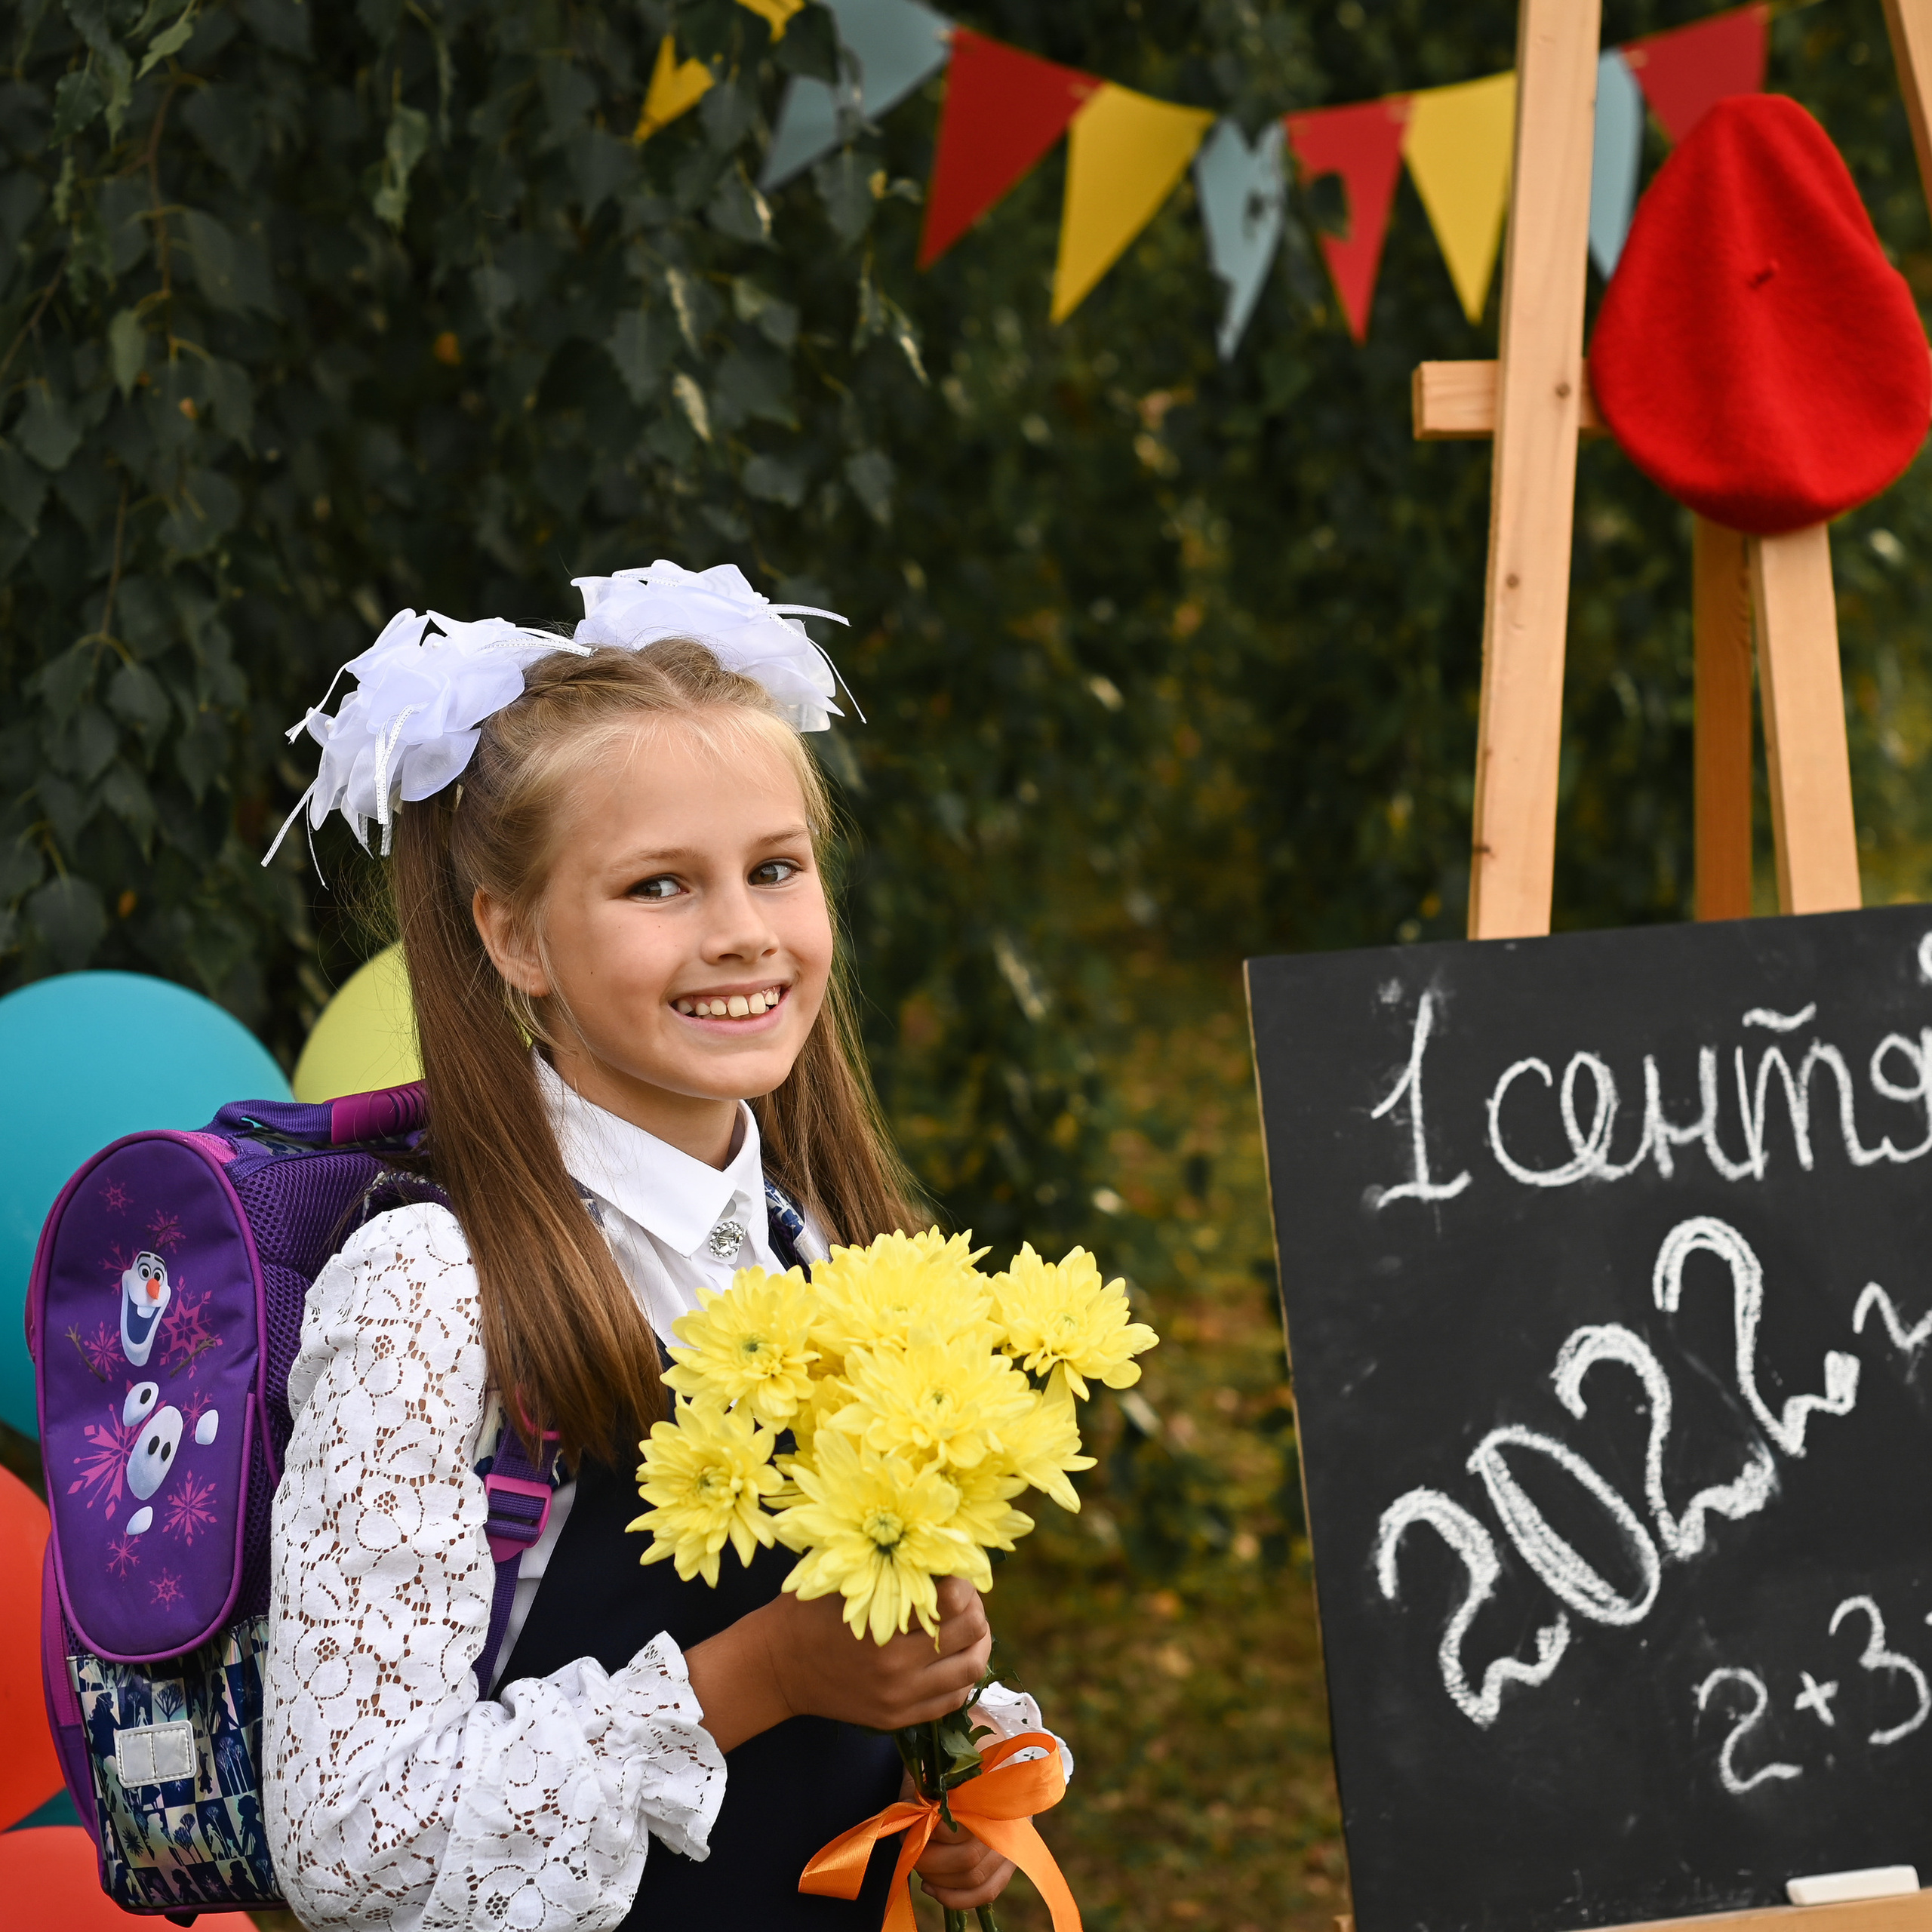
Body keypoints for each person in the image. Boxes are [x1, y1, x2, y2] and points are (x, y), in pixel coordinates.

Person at [260, 564, 1069, 1931]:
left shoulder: (818, 1243)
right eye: (658, 887)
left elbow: (825, 1634)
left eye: (774, 868)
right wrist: (764, 1677)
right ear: (514, 934)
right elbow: (350, 1844)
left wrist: (937, 1743)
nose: (742, 932)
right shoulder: (431, 1292)